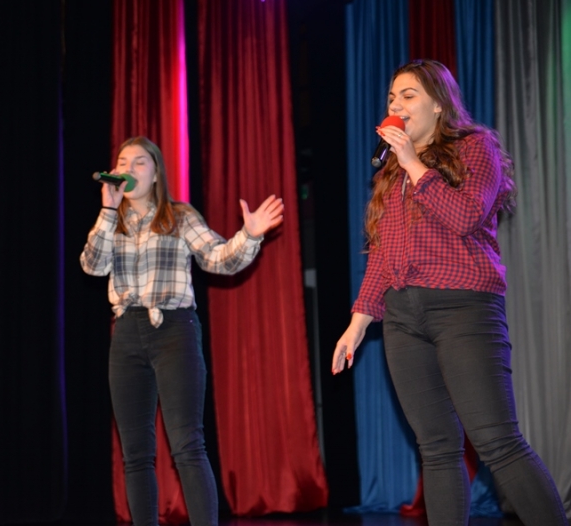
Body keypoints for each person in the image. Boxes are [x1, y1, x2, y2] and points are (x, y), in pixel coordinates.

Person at [332, 59, 567, 526]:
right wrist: (357, 324)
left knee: (497, 441)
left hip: (464, 308)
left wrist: (413, 163)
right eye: (392, 97)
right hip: (403, 319)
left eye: (409, 95)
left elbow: (465, 216)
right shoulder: (390, 173)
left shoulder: (474, 148)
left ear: (439, 104)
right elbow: (382, 253)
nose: (396, 105)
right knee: (436, 448)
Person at [81, 136, 284, 526]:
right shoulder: (112, 222)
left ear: (156, 173)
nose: (128, 168)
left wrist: (250, 235)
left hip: (174, 330)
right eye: (122, 162)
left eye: (139, 162)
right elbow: (92, 266)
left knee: (188, 444)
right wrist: (107, 210)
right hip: (126, 334)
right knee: (135, 453)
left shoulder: (179, 215)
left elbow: (219, 259)